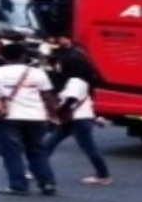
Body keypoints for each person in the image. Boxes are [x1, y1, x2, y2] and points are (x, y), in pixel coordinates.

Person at [0, 43, 59, 196]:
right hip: (36, 117)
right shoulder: (38, 73)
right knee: (37, 151)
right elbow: (48, 96)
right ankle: (47, 183)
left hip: (9, 117)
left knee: (12, 152)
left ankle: (18, 184)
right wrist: (54, 114)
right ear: (23, 56)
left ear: (3, 56)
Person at [44, 55, 112, 185]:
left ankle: (103, 175)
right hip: (76, 118)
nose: (59, 66)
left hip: (78, 119)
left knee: (88, 147)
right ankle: (36, 168)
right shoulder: (79, 80)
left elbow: (71, 99)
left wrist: (59, 112)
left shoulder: (76, 81)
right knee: (50, 143)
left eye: (61, 63)